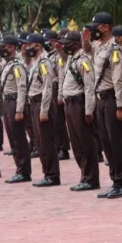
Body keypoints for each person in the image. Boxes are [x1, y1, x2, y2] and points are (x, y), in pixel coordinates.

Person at [82, 12, 122, 199]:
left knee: (116, 141)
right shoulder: (99, 46)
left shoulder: (114, 49)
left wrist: (120, 105)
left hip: (112, 98)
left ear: (105, 27)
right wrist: (85, 39)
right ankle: (114, 180)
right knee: (106, 142)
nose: (93, 30)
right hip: (101, 99)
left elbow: (119, 78)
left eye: (96, 27)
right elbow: (88, 50)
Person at [59, 30, 100, 191]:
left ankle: (91, 179)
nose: (64, 47)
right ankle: (84, 175)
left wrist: (89, 110)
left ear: (76, 44)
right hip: (70, 104)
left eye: (67, 44)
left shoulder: (83, 60)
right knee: (76, 143)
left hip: (79, 104)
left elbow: (90, 87)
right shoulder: (71, 59)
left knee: (85, 143)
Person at [22, 33, 61, 187]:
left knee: (46, 141)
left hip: (42, 103)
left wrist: (44, 111)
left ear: (38, 46)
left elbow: (47, 88)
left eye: (29, 45)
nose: (26, 48)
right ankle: (47, 173)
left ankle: (52, 175)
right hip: (35, 103)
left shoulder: (44, 63)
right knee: (40, 142)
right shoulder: (35, 62)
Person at [0, 35, 31, 183]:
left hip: (15, 102)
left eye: (5, 46)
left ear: (12, 48)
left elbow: (22, 87)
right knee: (13, 139)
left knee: (19, 139)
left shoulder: (17, 66)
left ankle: (24, 171)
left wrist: (20, 110)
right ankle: (19, 169)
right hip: (8, 102)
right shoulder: (7, 64)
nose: (2, 49)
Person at [43, 30, 71, 160]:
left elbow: (60, 75)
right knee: (53, 121)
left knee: (59, 121)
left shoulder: (58, 56)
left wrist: (60, 94)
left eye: (49, 41)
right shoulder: (46, 56)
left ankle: (64, 148)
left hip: (56, 88)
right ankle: (58, 145)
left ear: (54, 42)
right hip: (49, 89)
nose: (46, 43)